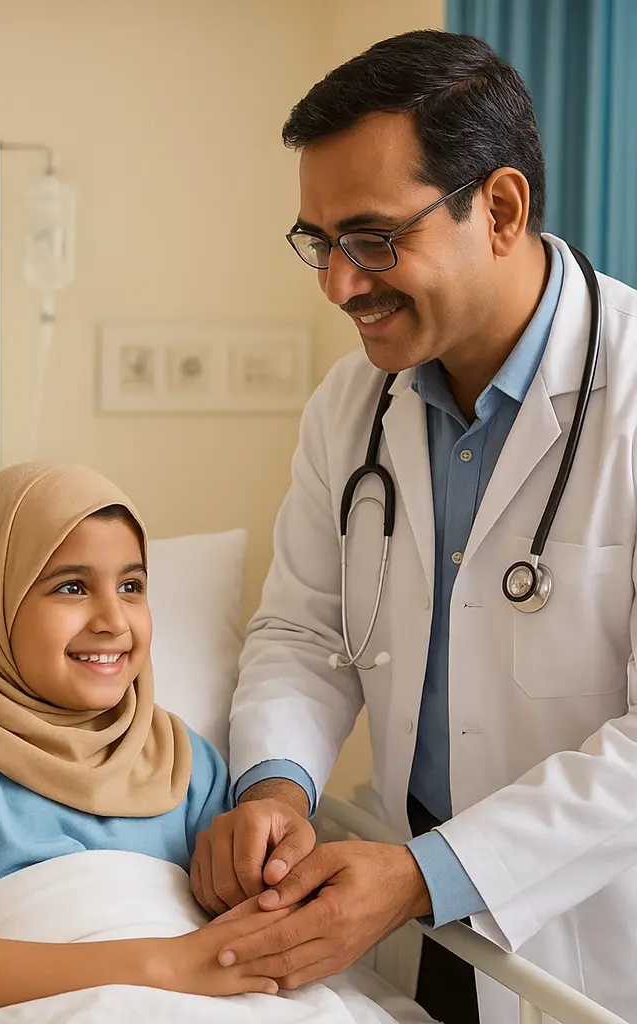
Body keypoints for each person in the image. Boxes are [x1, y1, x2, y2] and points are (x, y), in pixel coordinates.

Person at [188, 28, 637, 1024]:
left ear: (502, 208)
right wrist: (273, 788)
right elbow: (305, 632)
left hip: (592, 934)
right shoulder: (354, 406)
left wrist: (424, 873)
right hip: (413, 921)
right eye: (320, 242)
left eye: (374, 239)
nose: (338, 283)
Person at [0, 463, 286, 1021]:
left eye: (132, 586)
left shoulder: (185, 761)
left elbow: (252, 932)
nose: (112, 620)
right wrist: (162, 965)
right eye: (72, 587)